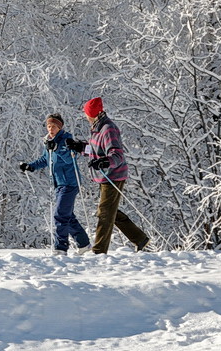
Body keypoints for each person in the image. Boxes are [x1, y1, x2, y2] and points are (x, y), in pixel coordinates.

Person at [65, 97, 150, 254]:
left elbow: (116, 154)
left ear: (93, 114)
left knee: (104, 213)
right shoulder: (98, 127)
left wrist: (105, 162)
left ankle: (99, 251)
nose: (86, 117)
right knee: (109, 211)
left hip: (113, 175)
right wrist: (80, 147)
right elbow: (97, 149)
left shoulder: (108, 129)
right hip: (105, 175)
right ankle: (139, 238)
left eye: (86, 113)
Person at [19, 113, 92, 255]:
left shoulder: (66, 140)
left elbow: (69, 159)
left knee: (60, 215)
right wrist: (31, 166)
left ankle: (60, 248)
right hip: (58, 183)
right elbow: (45, 159)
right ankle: (84, 244)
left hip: (70, 183)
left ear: (59, 127)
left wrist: (56, 148)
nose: (50, 129)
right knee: (67, 215)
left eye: (53, 126)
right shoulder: (48, 142)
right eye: (48, 126)